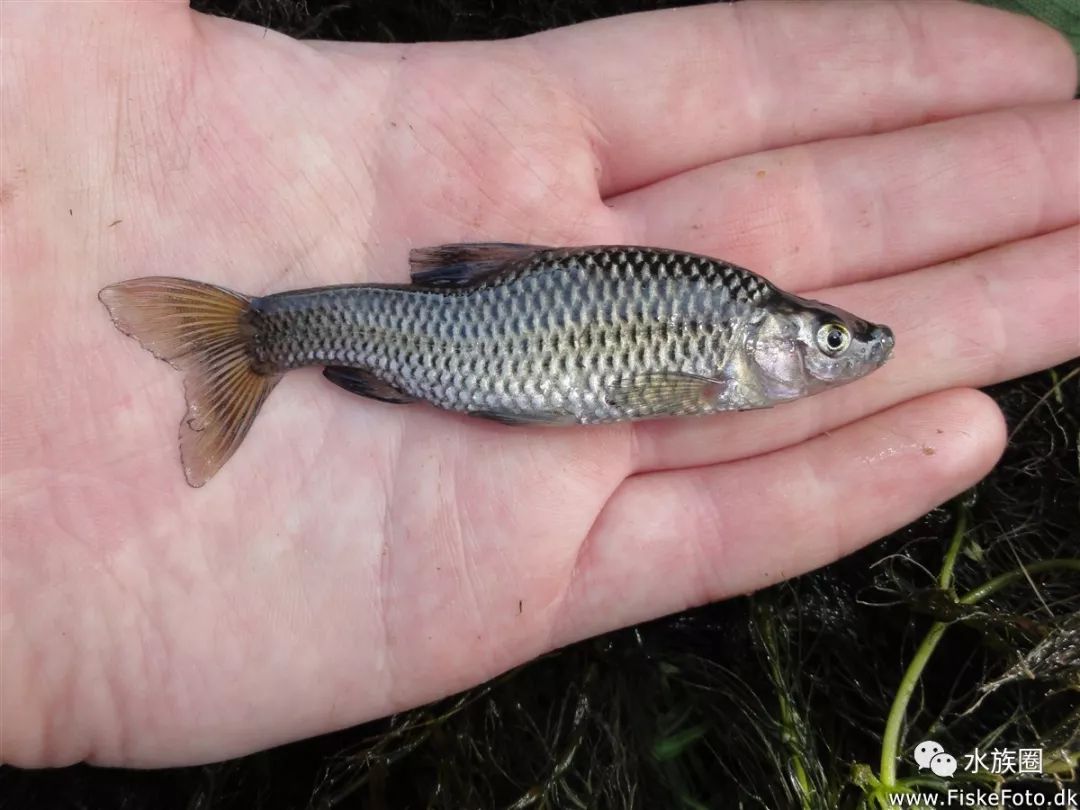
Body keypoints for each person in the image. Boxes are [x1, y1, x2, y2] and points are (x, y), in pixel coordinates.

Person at [1, 0, 1076, 769]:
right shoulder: (728, 334)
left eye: (831, 344)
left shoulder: (727, 326)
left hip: (477, 353)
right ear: (778, 335)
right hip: (465, 346)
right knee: (301, 337)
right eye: (830, 342)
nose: (837, 350)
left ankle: (255, 340)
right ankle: (249, 340)